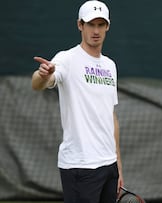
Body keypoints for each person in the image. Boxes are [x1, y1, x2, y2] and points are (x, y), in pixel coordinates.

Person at [31, 1, 123, 202]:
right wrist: (43, 75)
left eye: (100, 24)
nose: (96, 30)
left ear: (107, 26)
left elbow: (111, 117)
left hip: (109, 166)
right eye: (91, 24)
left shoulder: (110, 65)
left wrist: (118, 165)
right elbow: (38, 83)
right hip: (80, 167)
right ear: (80, 25)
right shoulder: (67, 59)